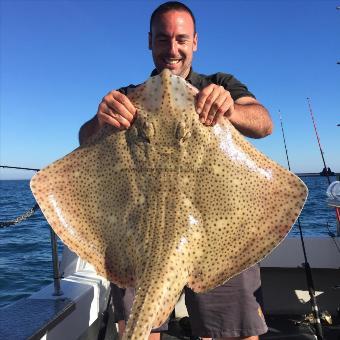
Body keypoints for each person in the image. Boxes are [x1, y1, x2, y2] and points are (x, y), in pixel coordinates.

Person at [79, 2, 273, 340]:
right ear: (150, 42)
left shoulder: (219, 83)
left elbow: (263, 123)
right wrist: (100, 118)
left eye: (181, 39)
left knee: (232, 331)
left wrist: (231, 109)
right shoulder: (129, 97)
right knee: (142, 327)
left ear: (195, 41)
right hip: (140, 232)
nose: (172, 49)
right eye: (162, 39)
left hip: (214, 229)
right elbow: (85, 142)